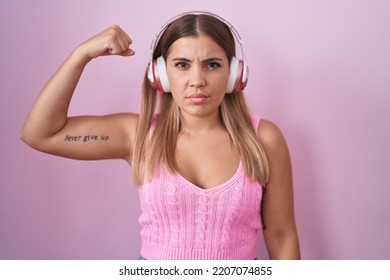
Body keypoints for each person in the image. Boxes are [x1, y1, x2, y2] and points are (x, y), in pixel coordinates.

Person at [20, 11, 300, 260]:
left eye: (213, 64)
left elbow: (281, 235)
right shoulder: (139, 135)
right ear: (160, 75)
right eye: (182, 64)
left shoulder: (264, 138)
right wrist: (81, 54)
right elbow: (40, 134)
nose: (197, 79)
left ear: (234, 74)